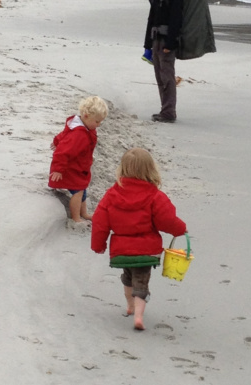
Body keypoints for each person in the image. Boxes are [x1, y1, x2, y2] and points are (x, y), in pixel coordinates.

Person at [91, 148, 187, 331]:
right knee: (141, 281)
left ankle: (130, 305)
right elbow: (167, 220)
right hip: (146, 250)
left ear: (122, 170)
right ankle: (138, 315)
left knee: (128, 278)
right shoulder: (155, 196)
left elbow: (100, 221)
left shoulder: (111, 195)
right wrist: (180, 229)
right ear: (151, 170)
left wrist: (98, 244)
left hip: (122, 251)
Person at [48, 95, 108, 223]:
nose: (98, 125)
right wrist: (58, 169)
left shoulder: (80, 125)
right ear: (86, 116)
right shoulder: (79, 134)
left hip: (80, 167)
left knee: (82, 189)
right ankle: (76, 217)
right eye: (97, 121)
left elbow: (64, 134)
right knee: (78, 192)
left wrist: (56, 140)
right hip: (70, 169)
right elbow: (62, 152)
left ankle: (84, 213)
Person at [144, 0, 183, 122]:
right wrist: (147, 44)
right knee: (160, 77)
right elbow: (151, 20)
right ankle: (165, 110)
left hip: (167, 42)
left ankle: (169, 113)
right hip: (156, 41)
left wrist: (170, 44)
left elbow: (176, 20)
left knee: (167, 77)